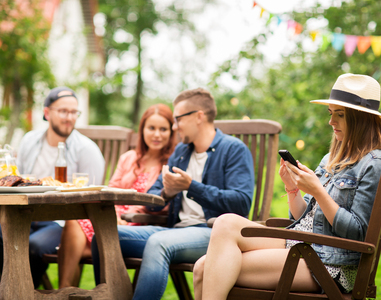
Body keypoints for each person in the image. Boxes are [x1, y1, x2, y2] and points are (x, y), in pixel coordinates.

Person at [192, 73, 381, 299]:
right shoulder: (331, 158)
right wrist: (292, 189)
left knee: (205, 268)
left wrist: (317, 189)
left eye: (340, 114)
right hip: (302, 241)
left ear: (360, 119)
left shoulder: (374, 164)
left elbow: (358, 234)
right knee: (225, 223)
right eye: (330, 113)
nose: (331, 121)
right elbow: (303, 216)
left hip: (330, 263)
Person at [91, 88, 255, 300]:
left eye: (178, 119)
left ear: (198, 116)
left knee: (158, 243)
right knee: (102, 237)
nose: (174, 126)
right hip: (173, 231)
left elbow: (241, 203)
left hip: (214, 234)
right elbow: (152, 198)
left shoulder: (233, 150)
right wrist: (167, 192)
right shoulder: (181, 152)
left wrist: (191, 186)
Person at [57, 104, 177, 288]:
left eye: (163, 129)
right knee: (74, 221)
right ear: (142, 130)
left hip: (140, 221)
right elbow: (111, 190)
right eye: (151, 128)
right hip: (112, 216)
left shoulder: (172, 163)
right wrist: (113, 212)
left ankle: (66, 292)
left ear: (171, 132)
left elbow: (163, 202)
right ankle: (66, 291)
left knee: (76, 237)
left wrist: (125, 215)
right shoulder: (129, 158)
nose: (157, 134)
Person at [0, 86, 105, 288]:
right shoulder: (29, 140)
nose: (70, 117)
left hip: (61, 223)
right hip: (24, 215)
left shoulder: (87, 150)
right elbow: (17, 180)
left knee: (33, 246)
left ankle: (24, 293)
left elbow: (91, 197)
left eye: (74, 112)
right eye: (63, 111)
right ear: (47, 113)